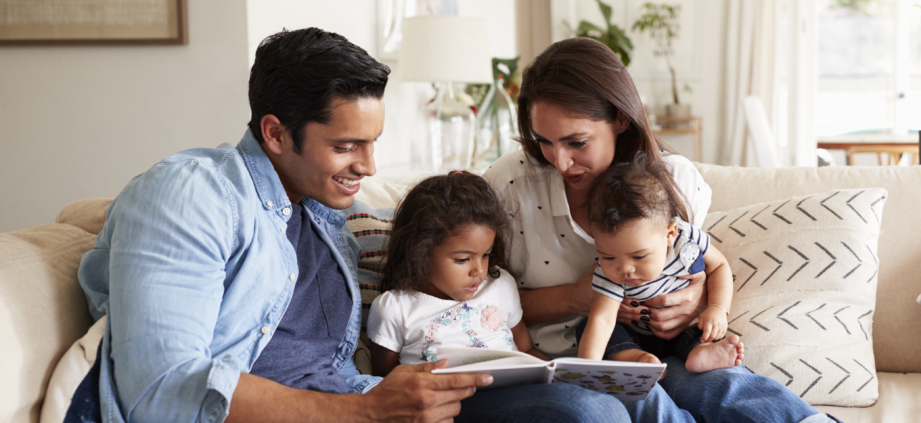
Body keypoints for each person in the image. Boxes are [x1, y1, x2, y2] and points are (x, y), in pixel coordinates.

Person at [69, 28, 628, 423]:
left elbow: (431, 245)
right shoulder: (191, 195)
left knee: (593, 408)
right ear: (275, 133)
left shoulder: (322, 211)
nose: (368, 166)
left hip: (366, 398)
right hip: (340, 409)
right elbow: (160, 391)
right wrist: (364, 410)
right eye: (345, 146)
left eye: (372, 143)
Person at [483, 37, 838, 422]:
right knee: (642, 397)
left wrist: (695, 304)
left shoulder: (674, 180)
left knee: (724, 385)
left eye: (577, 142)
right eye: (545, 142)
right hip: (563, 358)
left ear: (620, 118)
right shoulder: (510, 187)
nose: (562, 162)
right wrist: (572, 298)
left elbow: (695, 266)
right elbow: (469, 305)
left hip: (666, 347)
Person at [577, 154, 743, 374]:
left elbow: (719, 266)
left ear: (669, 234)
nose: (625, 269)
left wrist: (718, 308)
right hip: (636, 337)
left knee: (704, 329)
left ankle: (701, 352)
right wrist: (586, 372)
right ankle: (635, 358)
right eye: (608, 257)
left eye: (639, 256)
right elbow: (602, 320)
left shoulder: (684, 242)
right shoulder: (608, 274)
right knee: (589, 328)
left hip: (683, 329)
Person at [367, 171, 546, 374]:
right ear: (420, 253)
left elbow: (527, 350)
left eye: (486, 255)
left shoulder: (501, 284)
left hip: (516, 393)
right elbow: (385, 381)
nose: (479, 270)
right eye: (462, 260)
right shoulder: (394, 308)